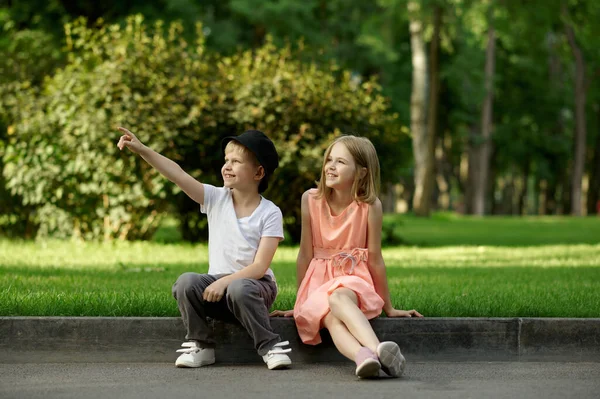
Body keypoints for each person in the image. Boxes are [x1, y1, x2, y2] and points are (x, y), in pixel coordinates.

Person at [117, 127, 292, 370]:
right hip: (217, 290)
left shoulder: (269, 212)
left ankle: (269, 345)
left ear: (259, 172)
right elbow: (177, 174)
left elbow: (260, 267)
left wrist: (225, 282)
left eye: (236, 161)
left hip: (254, 289)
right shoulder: (215, 198)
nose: (227, 166)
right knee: (186, 282)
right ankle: (201, 345)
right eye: (226, 160)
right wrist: (142, 149)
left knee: (239, 287)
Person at [271, 135, 422, 378]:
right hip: (317, 281)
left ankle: (376, 348)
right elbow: (305, 255)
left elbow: (375, 259)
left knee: (338, 297)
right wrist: (300, 301)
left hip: (353, 278)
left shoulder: (370, 207)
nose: (330, 166)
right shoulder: (310, 199)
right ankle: (365, 357)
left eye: (340, 162)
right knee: (331, 319)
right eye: (329, 159)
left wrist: (389, 307)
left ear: (362, 172)